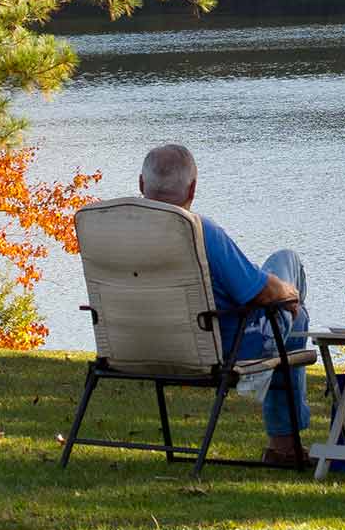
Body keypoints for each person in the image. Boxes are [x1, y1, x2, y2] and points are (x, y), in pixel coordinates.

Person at [138, 143, 312, 465]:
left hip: (141, 348)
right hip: (224, 350)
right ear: (192, 187)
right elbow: (257, 293)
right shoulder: (202, 232)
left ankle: (284, 447)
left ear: (140, 184)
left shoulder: (122, 234)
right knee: (289, 283)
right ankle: (285, 446)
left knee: (289, 311)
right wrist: (287, 291)